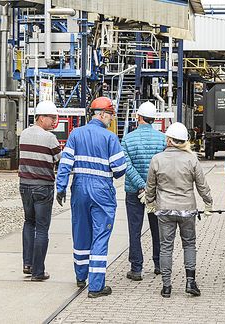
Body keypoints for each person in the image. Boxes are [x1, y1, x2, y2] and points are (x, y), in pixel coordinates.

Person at [56, 96, 127, 298]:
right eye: (111, 115)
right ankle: (96, 287)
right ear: (102, 114)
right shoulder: (110, 138)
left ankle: (80, 277)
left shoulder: (75, 134)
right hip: (102, 192)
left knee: (80, 233)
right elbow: (120, 169)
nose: (111, 120)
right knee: (100, 236)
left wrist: (60, 187)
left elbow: (65, 163)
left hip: (79, 189)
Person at [146, 122, 213, 298]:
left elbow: (150, 186)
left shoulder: (157, 159)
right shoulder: (192, 160)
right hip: (187, 210)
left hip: (165, 210)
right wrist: (208, 203)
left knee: (166, 247)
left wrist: (150, 202)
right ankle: (190, 282)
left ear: (168, 140)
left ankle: (167, 286)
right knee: (189, 244)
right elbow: (202, 185)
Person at [121, 101, 166, 280]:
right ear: (153, 119)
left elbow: (126, 165)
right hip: (156, 192)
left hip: (134, 191)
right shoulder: (162, 139)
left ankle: (136, 268)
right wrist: (150, 187)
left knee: (135, 229)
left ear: (138, 117)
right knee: (158, 229)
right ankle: (160, 264)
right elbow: (164, 165)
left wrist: (141, 185)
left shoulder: (127, 138)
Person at [18, 100, 61, 281]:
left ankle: (28, 264)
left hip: (24, 185)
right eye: (51, 118)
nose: (53, 122)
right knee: (42, 229)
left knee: (29, 222)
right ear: (41, 117)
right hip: (43, 187)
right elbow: (59, 159)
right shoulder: (50, 138)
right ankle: (38, 272)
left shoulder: (24, 134)